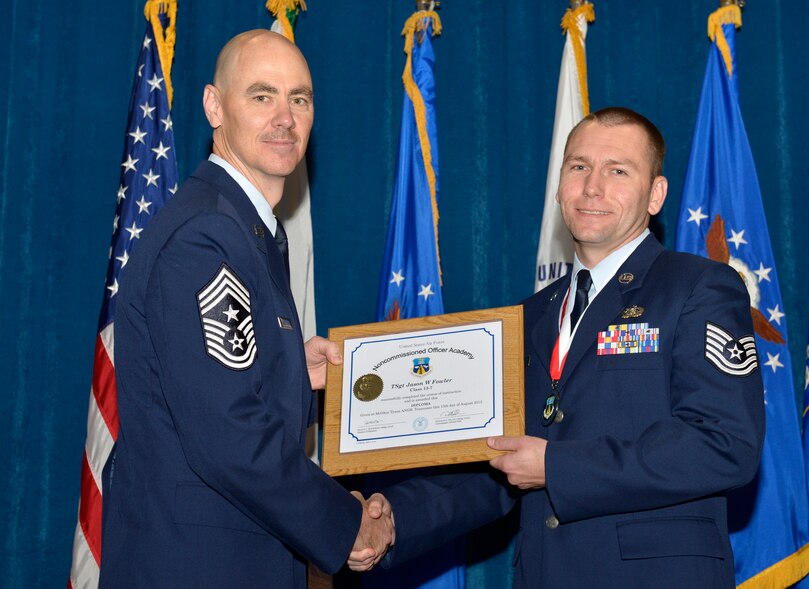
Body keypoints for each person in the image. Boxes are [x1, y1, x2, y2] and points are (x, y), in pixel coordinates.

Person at [361, 107, 765, 588]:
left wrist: (557, 467)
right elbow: (497, 462)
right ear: (558, 186)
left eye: (618, 171)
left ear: (655, 194)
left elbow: (723, 445)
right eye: (579, 167)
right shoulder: (528, 316)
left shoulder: (697, 288)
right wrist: (394, 520)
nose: (592, 187)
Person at [100, 30, 393, 588]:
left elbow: (214, 389)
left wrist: (289, 370)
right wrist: (344, 523)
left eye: (299, 99)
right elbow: (229, 436)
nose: (284, 117)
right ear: (214, 105)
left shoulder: (246, 229)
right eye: (262, 96)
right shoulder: (207, 234)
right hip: (198, 566)